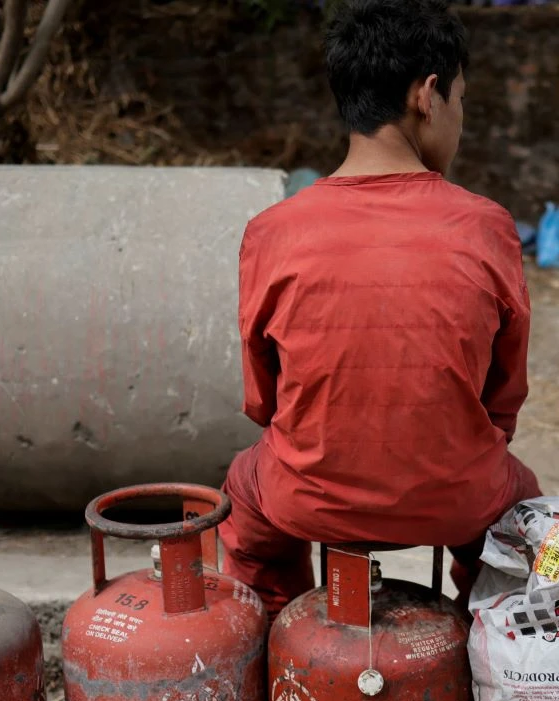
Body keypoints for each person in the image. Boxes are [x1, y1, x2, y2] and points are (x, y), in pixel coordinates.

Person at [219, 0, 541, 618]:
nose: (460, 119)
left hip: (305, 498)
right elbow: (504, 402)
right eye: (461, 101)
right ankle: (490, 642)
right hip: (458, 498)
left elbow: (263, 401)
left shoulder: (271, 231)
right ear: (428, 95)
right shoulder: (487, 226)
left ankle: (277, 642)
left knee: (245, 495)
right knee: (527, 521)